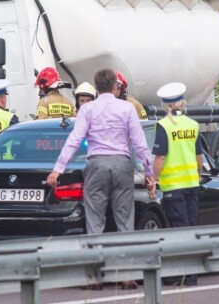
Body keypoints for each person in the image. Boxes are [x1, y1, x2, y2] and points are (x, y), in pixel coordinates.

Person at [46, 69, 154, 290]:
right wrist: (149, 173)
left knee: (95, 220)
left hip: (96, 165)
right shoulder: (127, 108)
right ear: (115, 86)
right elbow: (140, 142)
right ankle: (127, 274)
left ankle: (95, 276)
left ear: (96, 88)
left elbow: (74, 140)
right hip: (123, 164)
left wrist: (58, 169)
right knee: (125, 220)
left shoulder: (88, 109)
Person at [150, 82, 203, 287]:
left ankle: (186, 275)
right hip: (191, 185)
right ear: (183, 101)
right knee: (190, 227)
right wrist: (197, 176)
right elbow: (199, 157)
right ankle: (189, 272)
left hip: (173, 187)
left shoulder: (164, 125)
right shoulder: (193, 124)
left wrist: (153, 180)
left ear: (165, 105)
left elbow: (160, 158)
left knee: (179, 230)